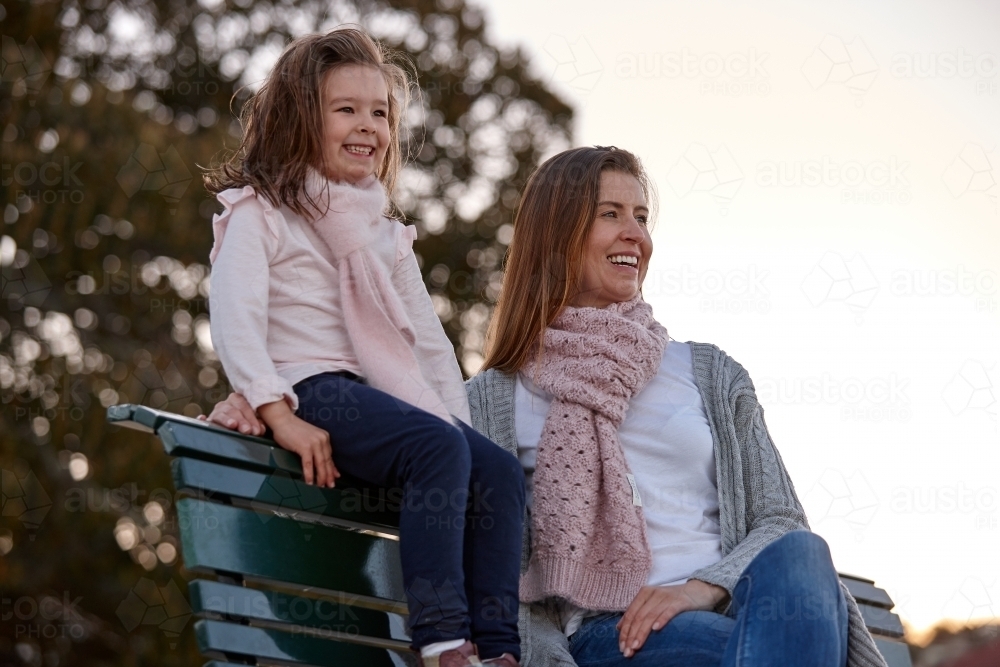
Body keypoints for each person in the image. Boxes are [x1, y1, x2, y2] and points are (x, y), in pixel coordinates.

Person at [206, 146, 889, 667]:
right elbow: (381, 414)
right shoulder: (489, 400)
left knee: (802, 555)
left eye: (643, 217)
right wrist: (266, 399)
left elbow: (775, 518)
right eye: (611, 214)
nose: (636, 235)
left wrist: (698, 587)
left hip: (742, 612)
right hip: (612, 635)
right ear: (557, 234)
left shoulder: (710, 373)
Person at [201, 27, 523, 667]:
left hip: (373, 395)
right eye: (345, 109)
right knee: (436, 448)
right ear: (299, 119)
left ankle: (499, 651)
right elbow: (234, 318)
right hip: (308, 387)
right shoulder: (259, 212)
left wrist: (452, 420)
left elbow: (428, 344)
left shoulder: (383, 232)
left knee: (500, 472)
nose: (368, 125)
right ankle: (441, 641)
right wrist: (278, 413)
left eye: (380, 112)